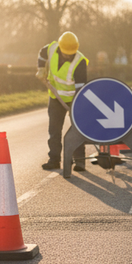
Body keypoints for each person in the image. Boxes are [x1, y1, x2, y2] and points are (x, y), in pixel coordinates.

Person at [37, 31, 88, 170]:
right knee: (54, 130)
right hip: (55, 98)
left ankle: (80, 161)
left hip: (74, 100)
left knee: (77, 130)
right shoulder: (52, 48)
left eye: (71, 53)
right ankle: (54, 160)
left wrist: (77, 107)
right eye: (66, 53)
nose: (68, 55)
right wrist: (41, 68)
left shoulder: (80, 62)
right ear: (60, 48)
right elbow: (42, 53)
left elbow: (80, 88)